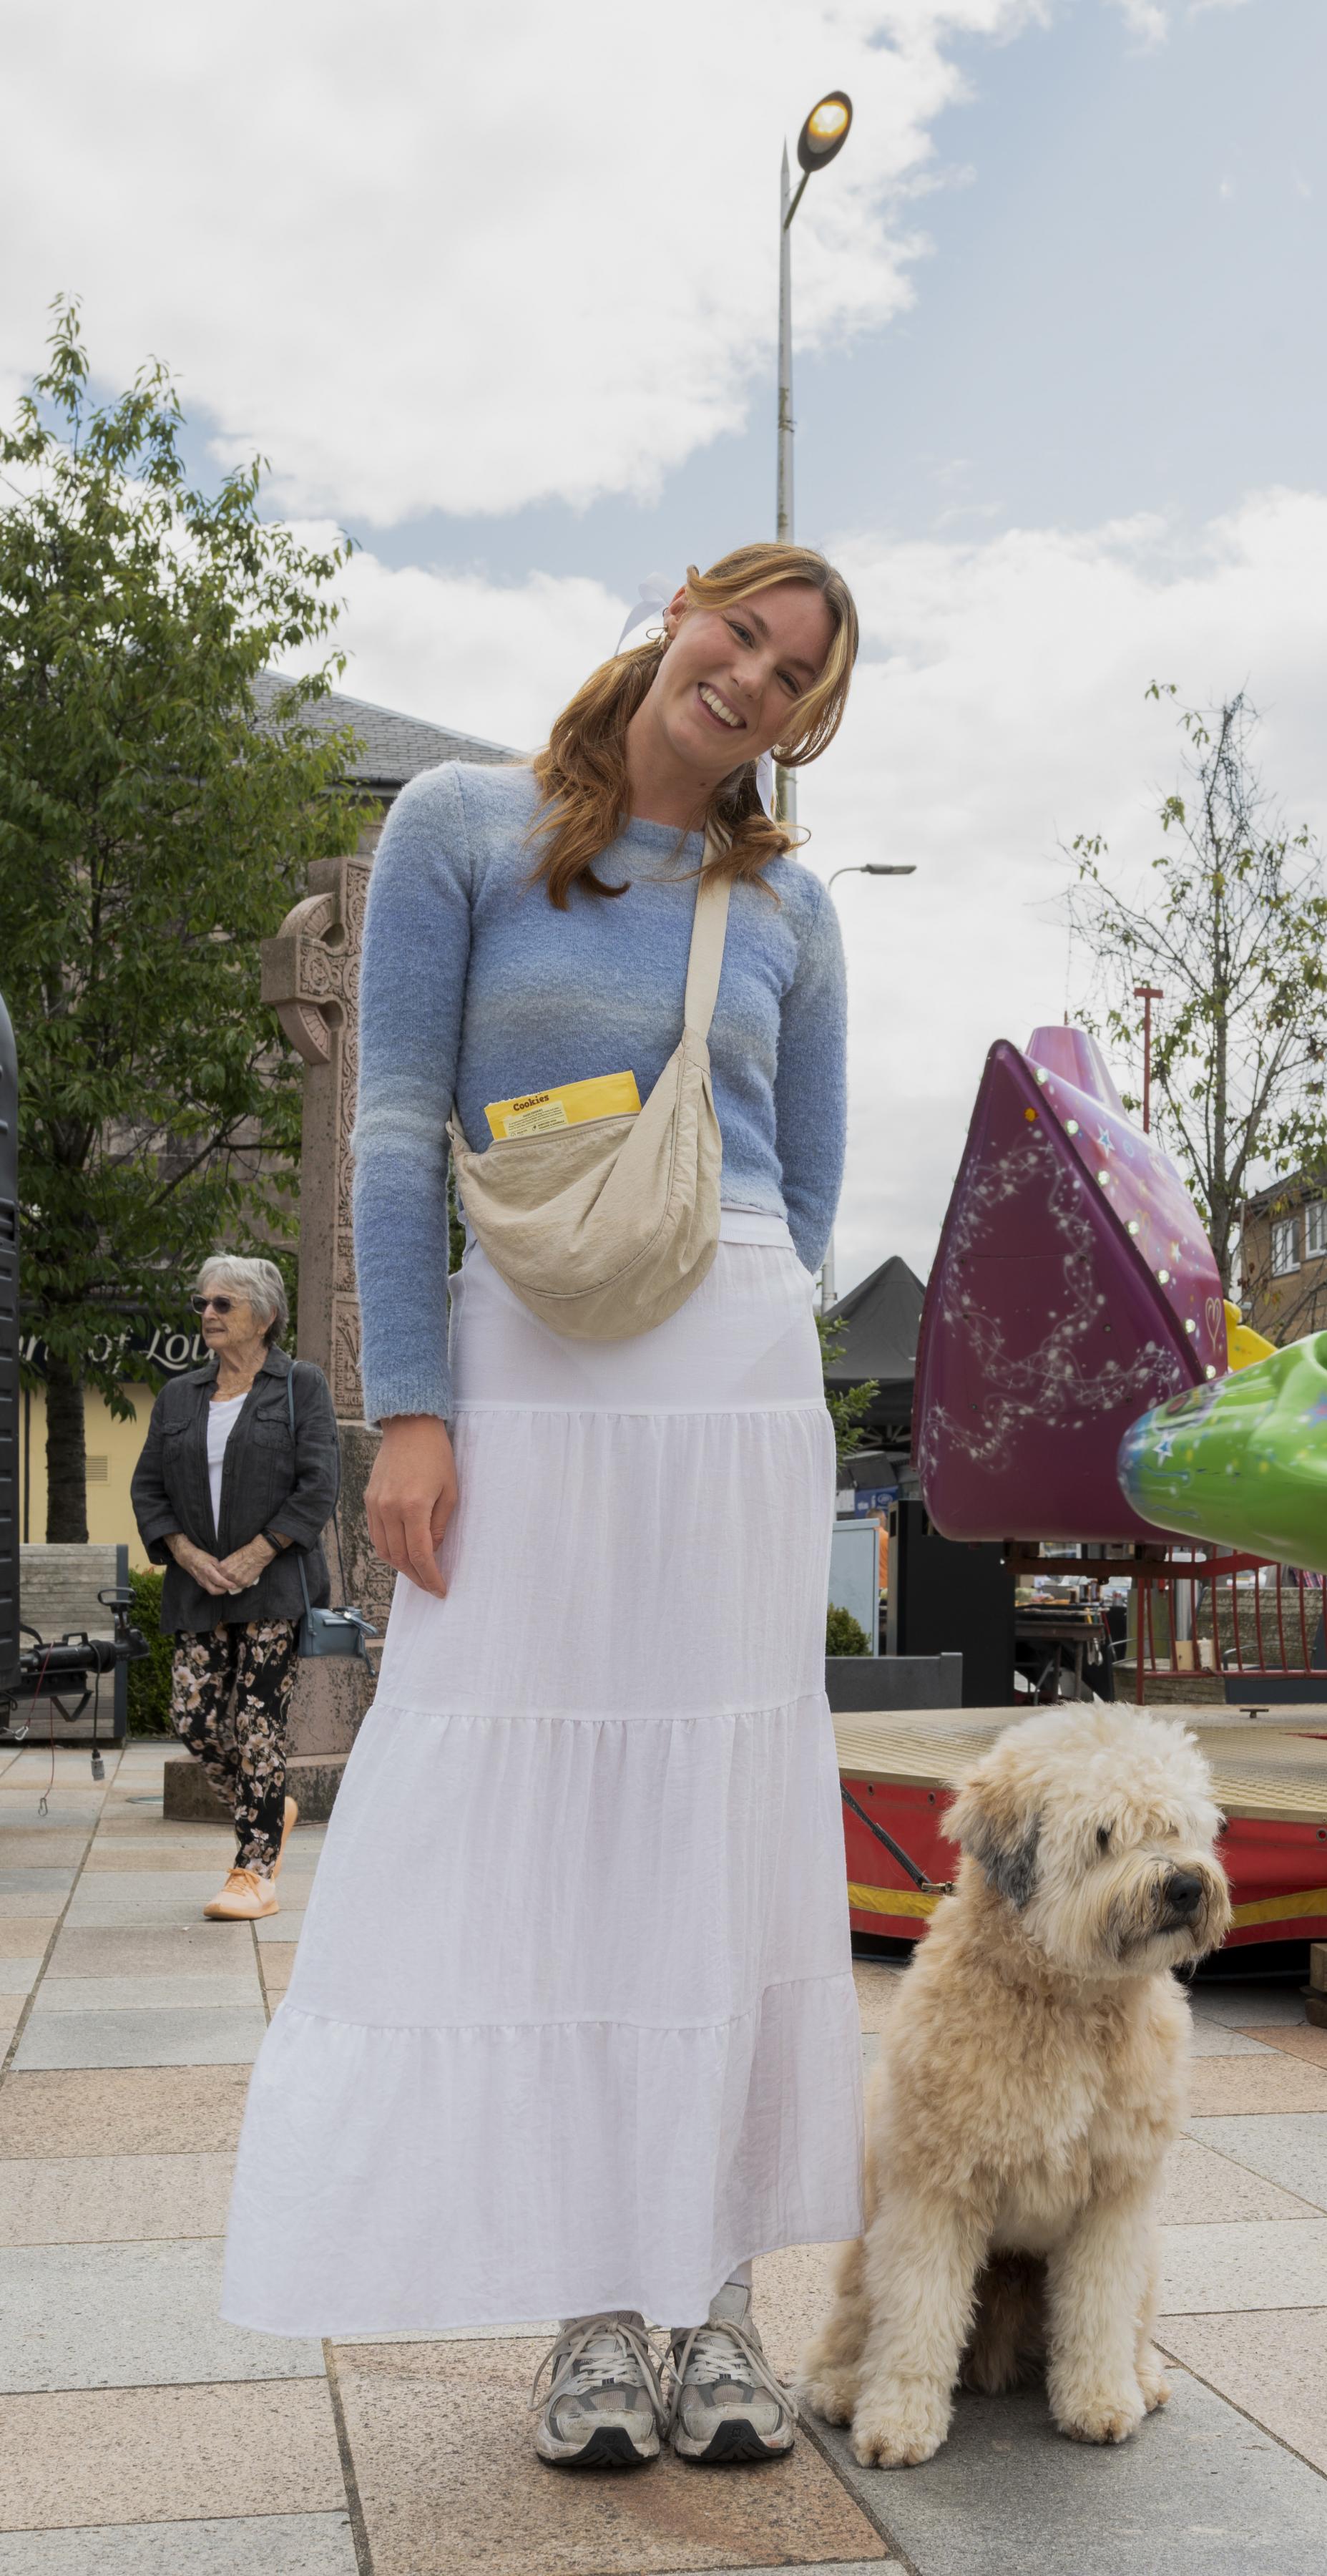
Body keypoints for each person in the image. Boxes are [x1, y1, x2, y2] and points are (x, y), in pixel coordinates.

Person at [221, 541, 866, 2472]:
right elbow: (395, 1135)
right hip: (527, 1375)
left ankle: (721, 2294)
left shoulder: (794, 909)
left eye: (795, 676)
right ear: (685, 608)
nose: (748, 679)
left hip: (727, 1378)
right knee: (553, 1825)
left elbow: (807, 1202)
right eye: (740, 631)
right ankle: (598, 2302)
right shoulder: (463, 826)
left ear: (810, 723)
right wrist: (409, 1405)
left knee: (721, 1826)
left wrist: (726, 1333)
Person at [130, 1256, 340, 1921]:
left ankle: (254, 1873)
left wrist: (255, 1555)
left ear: (265, 1315)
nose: (208, 1315)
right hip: (199, 1588)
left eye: (223, 1303)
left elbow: (318, 1485)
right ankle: (273, 1809)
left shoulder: (299, 1386)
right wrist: (188, 1555)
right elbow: (148, 1489)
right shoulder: (180, 1397)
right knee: (192, 1721)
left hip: (273, 1584)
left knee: (257, 1727)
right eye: (203, 1305)